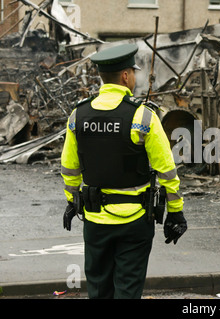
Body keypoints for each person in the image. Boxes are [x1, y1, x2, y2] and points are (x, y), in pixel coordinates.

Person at [60, 43, 187, 299]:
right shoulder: (143, 116)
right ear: (126, 76)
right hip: (134, 221)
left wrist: (72, 201)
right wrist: (176, 213)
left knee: (98, 289)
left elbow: (69, 167)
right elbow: (167, 171)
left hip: (94, 220)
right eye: (134, 72)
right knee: (127, 291)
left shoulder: (78, 115)